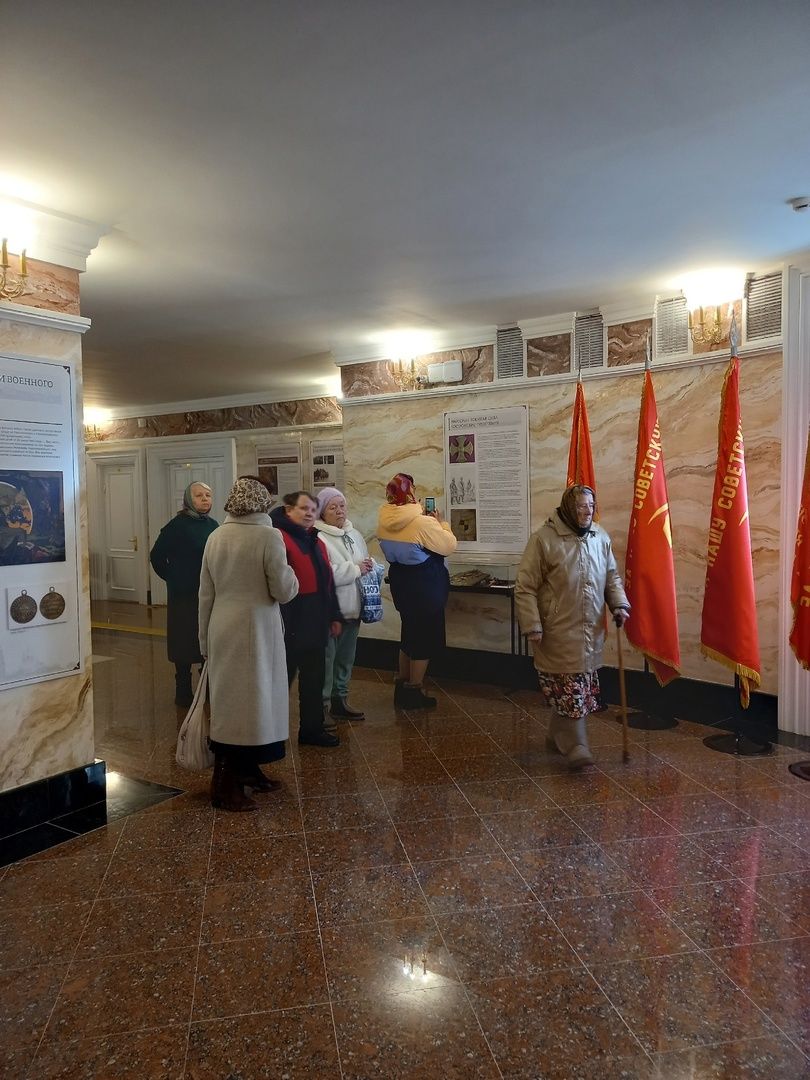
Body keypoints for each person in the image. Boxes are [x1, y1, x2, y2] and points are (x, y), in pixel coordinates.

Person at [198, 477, 299, 811]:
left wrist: (204, 639)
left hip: (221, 625)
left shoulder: (216, 535)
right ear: (262, 503)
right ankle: (224, 784)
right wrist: (293, 575)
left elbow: (205, 593)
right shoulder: (269, 536)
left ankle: (247, 770)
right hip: (256, 628)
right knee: (254, 701)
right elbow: (282, 590)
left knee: (230, 701)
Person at [515, 484, 630, 770]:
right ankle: (577, 745)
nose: (587, 511)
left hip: (591, 633)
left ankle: (557, 735)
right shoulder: (543, 540)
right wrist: (532, 624)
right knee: (571, 691)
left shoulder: (600, 537)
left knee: (578, 689)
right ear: (568, 507)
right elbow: (525, 587)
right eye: (580, 506)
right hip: (556, 632)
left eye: (591, 506)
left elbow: (612, 577)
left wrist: (619, 604)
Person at [376, 472, 457, 709]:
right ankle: (414, 690)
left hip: (402, 584)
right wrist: (441, 523)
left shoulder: (384, 520)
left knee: (408, 635)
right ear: (410, 493)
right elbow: (449, 545)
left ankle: (402, 685)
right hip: (425, 586)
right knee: (424, 638)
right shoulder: (422, 522)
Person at [271, 491, 343, 747]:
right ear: (289, 510)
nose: (310, 513)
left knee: (313, 680)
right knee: (280, 682)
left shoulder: (316, 540)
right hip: (290, 622)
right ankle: (271, 736)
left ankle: (311, 730)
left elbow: (328, 583)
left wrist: (334, 615)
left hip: (315, 622)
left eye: (313, 509)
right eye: (304, 508)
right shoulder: (278, 538)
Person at [150, 481, 219, 706]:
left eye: (208, 495)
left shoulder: (213, 525)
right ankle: (183, 688)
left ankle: (207, 686)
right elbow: (157, 556)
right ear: (189, 499)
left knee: (206, 637)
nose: (205, 499)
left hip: (208, 592)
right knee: (183, 639)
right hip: (183, 595)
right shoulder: (177, 526)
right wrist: (173, 578)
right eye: (199, 495)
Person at [313, 487, 374, 722]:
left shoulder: (354, 534)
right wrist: (356, 569)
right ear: (322, 512)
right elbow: (324, 574)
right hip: (332, 610)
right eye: (333, 507)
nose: (339, 511)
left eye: (342, 506)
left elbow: (362, 560)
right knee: (327, 660)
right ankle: (322, 705)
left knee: (345, 659)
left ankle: (340, 699)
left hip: (354, 606)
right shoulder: (318, 537)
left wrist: (368, 566)